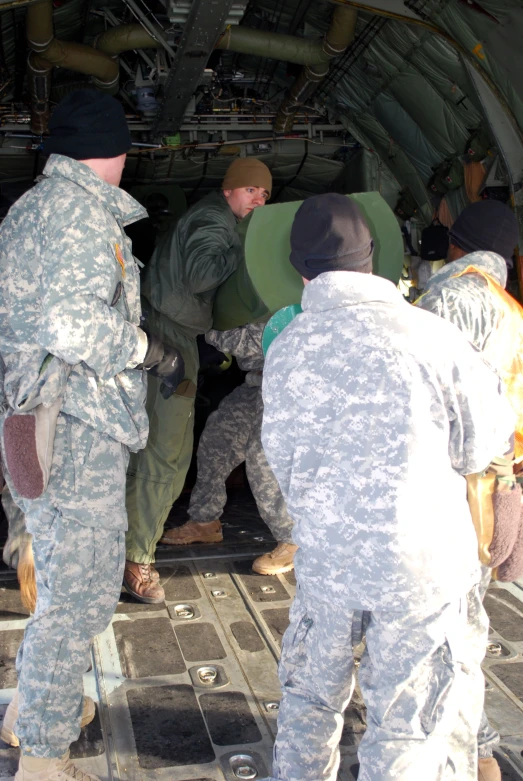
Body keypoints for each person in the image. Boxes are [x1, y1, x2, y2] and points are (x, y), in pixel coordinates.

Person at [260, 193, 514, 781]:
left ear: (302, 269)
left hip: (327, 565)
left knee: (309, 708)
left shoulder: (288, 348)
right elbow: (483, 446)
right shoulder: (433, 336)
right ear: (372, 258)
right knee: (407, 728)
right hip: (419, 574)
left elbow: (281, 456)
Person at [0, 90, 183, 781]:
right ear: (116, 152)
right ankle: (43, 761)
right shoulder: (77, 214)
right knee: (78, 598)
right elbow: (70, 325)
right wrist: (147, 349)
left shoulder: (32, 210)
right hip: (75, 428)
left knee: (67, 585)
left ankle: (30, 710)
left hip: (46, 418)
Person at [124, 157, 272, 603]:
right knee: (166, 455)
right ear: (230, 189)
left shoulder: (214, 216)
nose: (259, 200)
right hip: (168, 335)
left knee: (166, 453)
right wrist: (247, 242)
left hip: (174, 332)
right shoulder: (213, 219)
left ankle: (132, 545)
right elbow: (204, 273)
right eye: (252, 192)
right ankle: (136, 558)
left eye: (265, 194)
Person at [416, 199, 522, 781]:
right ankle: (475, 747)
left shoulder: (453, 297)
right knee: (465, 620)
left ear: (457, 244)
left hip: (450, 491)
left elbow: (425, 394)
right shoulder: (509, 308)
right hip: (491, 490)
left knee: (445, 630)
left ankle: (473, 753)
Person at [161, 323, 297, 575]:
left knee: (262, 459)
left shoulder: (274, 293)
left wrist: (202, 326)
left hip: (288, 380)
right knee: (216, 442)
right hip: (257, 381)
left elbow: (253, 341)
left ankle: (293, 539)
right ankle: (205, 522)